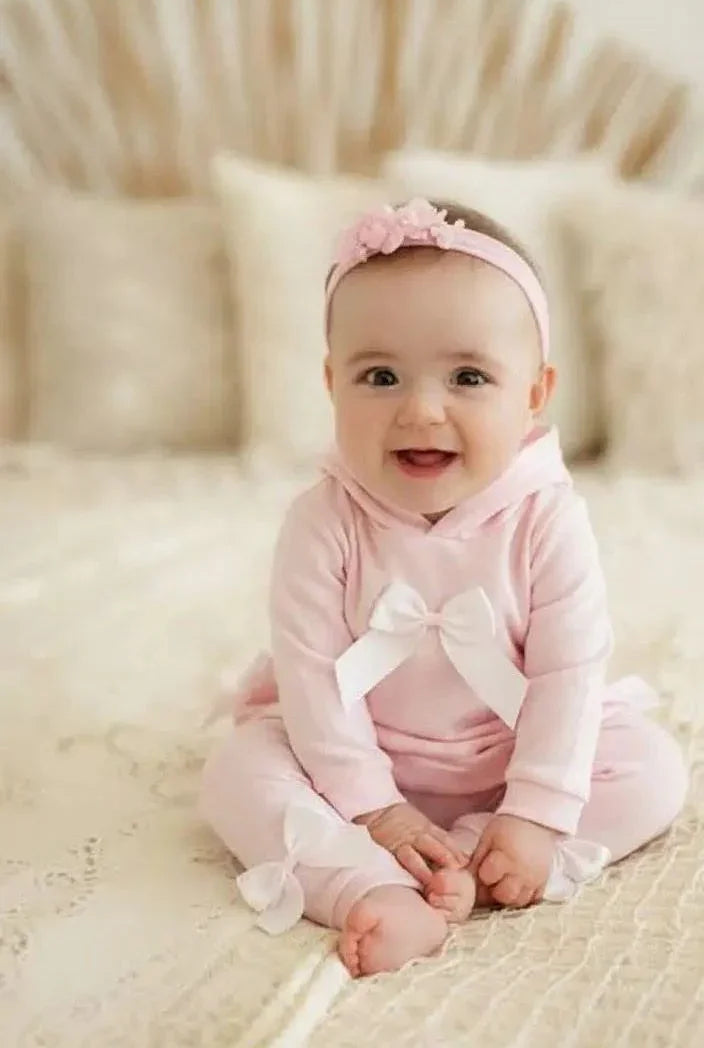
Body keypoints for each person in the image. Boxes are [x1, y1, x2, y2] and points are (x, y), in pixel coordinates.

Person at [200, 198, 687, 978]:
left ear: (533, 393)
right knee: (235, 776)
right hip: (355, 757)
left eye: (468, 376)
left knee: (654, 769)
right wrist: (375, 810)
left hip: (509, 752)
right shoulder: (323, 521)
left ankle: (474, 862)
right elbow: (314, 680)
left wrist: (533, 813)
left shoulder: (547, 518)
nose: (421, 410)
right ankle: (372, 886)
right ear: (332, 384)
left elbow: (568, 672)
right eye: (381, 376)